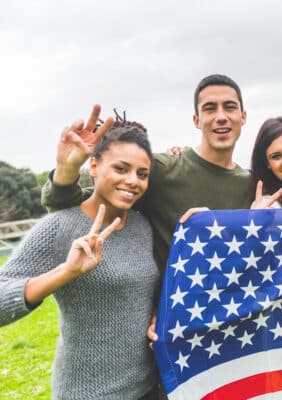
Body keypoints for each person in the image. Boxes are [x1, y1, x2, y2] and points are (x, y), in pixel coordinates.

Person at [0, 109, 161, 399]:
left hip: (149, 389)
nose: (133, 181)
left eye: (142, 173)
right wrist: (65, 273)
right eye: (121, 169)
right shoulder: (60, 226)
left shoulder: (142, 224)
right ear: (94, 167)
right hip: (89, 392)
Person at [41, 74, 252, 272]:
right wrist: (67, 171)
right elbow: (70, 208)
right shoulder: (160, 170)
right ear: (196, 120)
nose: (221, 117)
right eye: (210, 109)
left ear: (242, 117)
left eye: (230, 107)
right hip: (170, 309)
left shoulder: (253, 185)